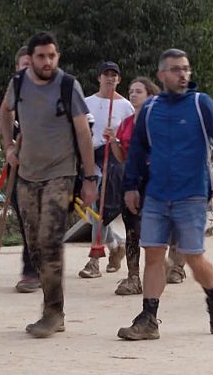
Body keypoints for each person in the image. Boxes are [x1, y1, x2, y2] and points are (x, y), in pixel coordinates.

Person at [117, 49, 213, 340]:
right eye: (175, 69)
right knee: (154, 254)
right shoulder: (150, 109)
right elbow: (137, 151)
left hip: (192, 194)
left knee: (194, 257)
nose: (183, 74)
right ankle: (149, 318)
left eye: (186, 69)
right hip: (157, 194)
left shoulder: (200, 104)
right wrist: (131, 185)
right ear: (162, 75)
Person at [0, 31, 98, 338]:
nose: (47, 62)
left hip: (61, 172)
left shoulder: (68, 86)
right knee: (34, 245)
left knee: (49, 240)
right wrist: (9, 148)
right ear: (31, 59)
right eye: (41, 56)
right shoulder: (18, 84)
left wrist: (90, 179)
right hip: (27, 174)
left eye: (52, 56)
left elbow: (84, 134)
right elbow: (5, 111)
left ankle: (53, 312)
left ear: (58, 56)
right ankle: (51, 306)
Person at [0, 45, 42, 293]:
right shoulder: (9, 101)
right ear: (16, 69)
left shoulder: (53, 94)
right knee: (26, 219)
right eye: (24, 65)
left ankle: (43, 266)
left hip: (51, 169)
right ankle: (31, 270)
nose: (28, 69)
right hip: (19, 170)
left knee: (45, 220)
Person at [77, 61, 134, 279]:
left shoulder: (126, 106)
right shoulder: (85, 102)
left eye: (114, 75)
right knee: (93, 209)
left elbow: (129, 137)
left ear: (119, 79)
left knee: (101, 207)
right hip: (91, 157)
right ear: (99, 77)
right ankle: (115, 243)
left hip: (114, 157)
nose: (110, 78)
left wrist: (116, 138)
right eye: (106, 74)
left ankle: (94, 260)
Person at [108, 77, 160, 295]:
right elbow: (121, 157)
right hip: (130, 178)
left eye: (139, 91)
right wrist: (112, 141)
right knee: (132, 229)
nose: (133, 94)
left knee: (154, 228)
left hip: (154, 178)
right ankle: (133, 275)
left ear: (149, 95)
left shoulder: (156, 120)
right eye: (131, 91)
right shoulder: (127, 123)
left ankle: (158, 270)